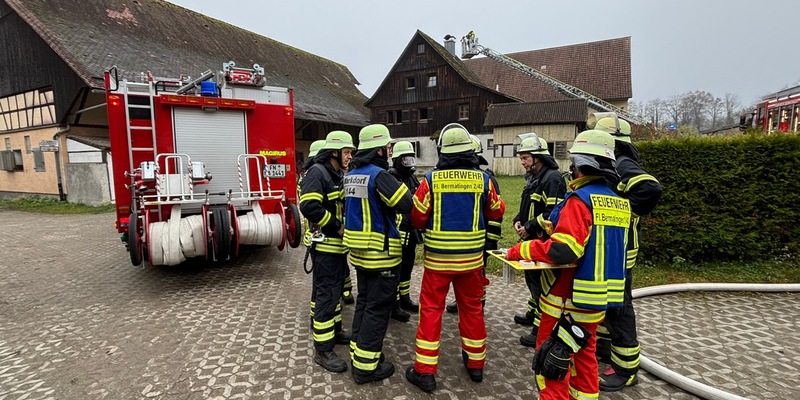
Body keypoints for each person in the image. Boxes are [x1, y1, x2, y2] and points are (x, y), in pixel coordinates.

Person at [505, 129, 630, 400]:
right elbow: (599, 242)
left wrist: (522, 249)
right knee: (584, 360)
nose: (570, 170)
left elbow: (564, 250)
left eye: (573, 164)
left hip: (567, 299)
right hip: (598, 301)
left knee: (550, 363)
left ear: (583, 165)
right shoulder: (620, 203)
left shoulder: (580, 200)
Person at [405, 124, 505, 392]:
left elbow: (417, 216)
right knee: (472, 310)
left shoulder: (430, 181)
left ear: (442, 152)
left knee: (431, 311)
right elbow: (497, 211)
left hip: (437, 263)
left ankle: (425, 372)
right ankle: (475, 365)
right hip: (472, 263)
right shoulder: (483, 180)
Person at [591, 115, 663, 392]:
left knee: (620, 310)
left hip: (621, 254)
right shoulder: (614, 165)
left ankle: (625, 369)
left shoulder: (623, 164)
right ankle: (608, 351)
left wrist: (624, 212)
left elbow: (651, 188)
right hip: (613, 251)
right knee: (610, 305)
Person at [343, 124, 413, 384]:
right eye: (388, 147)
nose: (390, 151)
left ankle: (359, 354)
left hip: (360, 255)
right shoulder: (379, 176)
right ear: (379, 149)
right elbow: (406, 204)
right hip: (382, 255)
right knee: (378, 309)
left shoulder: (352, 174)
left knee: (364, 303)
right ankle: (365, 368)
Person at [300, 131, 355, 373]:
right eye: (346, 152)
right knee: (325, 298)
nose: (349, 156)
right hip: (325, 248)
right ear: (334, 152)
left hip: (337, 249)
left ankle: (335, 332)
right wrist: (337, 226)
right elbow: (309, 206)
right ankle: (322, 350)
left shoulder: (336, 174)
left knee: (334, 296)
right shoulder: (318, 173)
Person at [511, 135, 566, 348]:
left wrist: (530, 227)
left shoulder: (552, 179)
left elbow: (553, 214)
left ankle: (539, 329)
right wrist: (518, 220)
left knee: (543, 286)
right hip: (532, 239)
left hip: (543, 242)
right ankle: (532, 313)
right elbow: (527, 206)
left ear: (538, 157)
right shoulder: (534, 178)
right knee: (532, 282)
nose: (522, 162)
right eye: (522, 158)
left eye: (525, 158)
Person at [446, 134, 500, 313]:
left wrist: (490, 241)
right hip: (465, 239)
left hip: (482, 238)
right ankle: (463, 300)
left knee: (479, 273)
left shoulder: (487, 179)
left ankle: (479, 301)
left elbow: (495, 215)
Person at [388, 140, 422, 319]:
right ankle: (393, 305)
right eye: (405, 160)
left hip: (410, 232)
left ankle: (405, 298)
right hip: (397, 234)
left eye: (411, 159)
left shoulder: (411, 177)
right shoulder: (391, 177)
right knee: (396, 269)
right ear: (397, 160)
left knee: (408, 267)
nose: (409, 164)